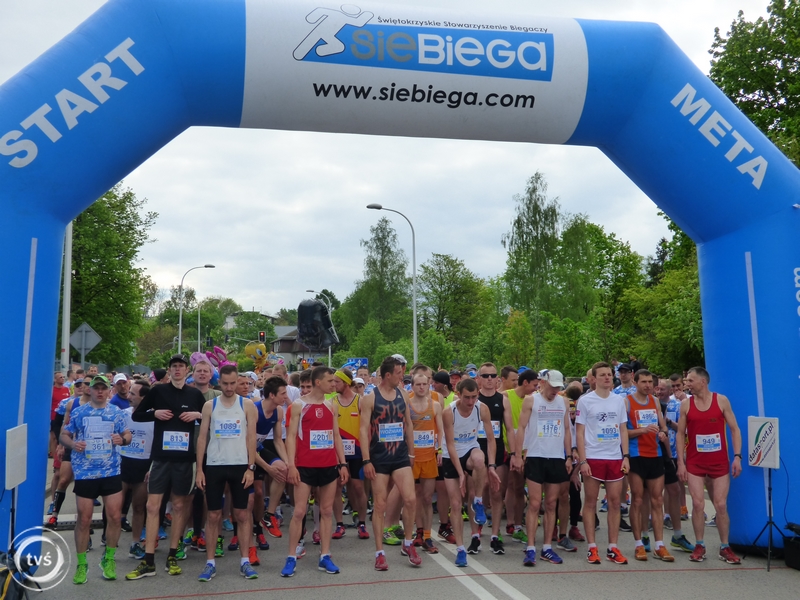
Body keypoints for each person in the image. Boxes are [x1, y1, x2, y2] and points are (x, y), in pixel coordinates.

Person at [126, 354, 205, 580]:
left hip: (184, 459)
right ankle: (149, 560)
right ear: (169, 370)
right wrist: (155, 413)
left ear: (187, 370)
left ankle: (172, 554)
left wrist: (198, 414)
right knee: (153, 506)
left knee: (179, 506)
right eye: (174, 366)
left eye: (181, 366)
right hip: (160, 457)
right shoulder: (158, 391)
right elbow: (137, 415)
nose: (177, 370)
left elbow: (210, 419)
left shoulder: (194, 394)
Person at [61, 375, 131, 584]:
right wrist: (73, 445)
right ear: (89, 390)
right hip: (85, 472)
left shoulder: (116, 412)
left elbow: (128, 435)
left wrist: (122, 439)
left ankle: (109, 559)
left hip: (110, 471)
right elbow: (64, 434)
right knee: (84, 519)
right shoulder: (79, 412)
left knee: (115, 517)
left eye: (103, 388)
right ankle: (82, 564)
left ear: (109, 391)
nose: (100, 391)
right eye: (96, 388)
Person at [281, 366, 349, 577]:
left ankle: (325, 555)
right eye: (330, 381)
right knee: (299, 512)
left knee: (327, 511)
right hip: (305, 467)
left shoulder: (331, 405)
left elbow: (336, 436)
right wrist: (291, 465)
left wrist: (343, 463)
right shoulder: (299, 406)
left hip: (328, 465)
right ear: (318, 382)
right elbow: (291, 437)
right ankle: (291, 557)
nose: (334, 384)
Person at [195, 364, 259, 581]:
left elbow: (252, 437)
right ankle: (210, 563)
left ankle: (245, 561)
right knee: (213, 515)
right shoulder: (209, 406)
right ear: (219, 382)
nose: (229, 388)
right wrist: (200, 470)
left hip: (240, 465)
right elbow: (202, 438)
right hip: (215, 465)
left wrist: (251, 467)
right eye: (225, 384)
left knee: (242, 514)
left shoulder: (247, 404)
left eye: (233, 383)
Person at [676, 367, 743, 564]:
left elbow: (734, 429)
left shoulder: (721, 400)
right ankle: (699, 545)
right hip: (695, 463)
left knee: (720, 504)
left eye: (690, 380)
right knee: (697, 504)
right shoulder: (686, 404)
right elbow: (680, 434)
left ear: (703, 382)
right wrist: (681, 462)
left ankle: (725, 547)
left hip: (719, 462)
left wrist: (737, 457)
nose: (687, 384)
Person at [359, 355, 421, 571]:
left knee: (410, 499)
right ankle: (379, 553)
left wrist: (412, 453)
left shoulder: (403, 394)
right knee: (380, 504)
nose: (401, 376)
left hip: (400, 456)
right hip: (379, 458)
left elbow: (409, 424)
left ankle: (408, 543)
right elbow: (363, 431)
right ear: (387, 375)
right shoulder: (370, 398)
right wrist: (366, 460)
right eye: (398, 373)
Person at [512, 369, 572, 566]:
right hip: (536, 455)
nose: (555, 390)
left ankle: (547, 547)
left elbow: (567, 429)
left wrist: (569, 456)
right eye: (553, 386)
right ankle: (531, 547)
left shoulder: (563, 402)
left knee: (551, 503)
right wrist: (518, 455)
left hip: (556, 457)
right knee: (535, 503)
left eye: (558, 387)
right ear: (544, 383)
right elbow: (521, 428)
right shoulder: (531, 400)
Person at [440, 378, 501, 567]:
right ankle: (460, 549)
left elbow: (491, 439)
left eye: (474, 397)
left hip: (470, 449)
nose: (470, 401)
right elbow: (450, 445)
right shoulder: (449, 412)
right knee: (456, 504)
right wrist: (460, 474)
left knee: (480, 459)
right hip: (451, 455)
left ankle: (478, 501)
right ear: (458, 394)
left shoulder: (481, 408)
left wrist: (492, 466)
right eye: (467, 397)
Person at [576, 362, 631, 565]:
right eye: (603, 375)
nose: (607, 377)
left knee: (615, 502)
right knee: (591, 502)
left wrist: (626, 456)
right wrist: (583, 460)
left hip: (614, 457)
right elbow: (579, 432)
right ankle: (592, 547)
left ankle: (613, 547)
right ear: (594, 379)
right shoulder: (585, 401)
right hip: (593, 456)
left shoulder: (619, 401)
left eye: (609, 374)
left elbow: (623, 429)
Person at [624, 370, 674, 562]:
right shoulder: (627, 402)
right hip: (636, 455)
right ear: (635, 382)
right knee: (637, 499)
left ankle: (659, 545)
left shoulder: (654, 401)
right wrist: (642, 430)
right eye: (643, 382)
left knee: (657, 500)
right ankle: (639, 544)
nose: (647, 385)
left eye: (650, 382)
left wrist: (662, 433)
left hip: (655, 454)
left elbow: (663, 426)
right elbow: (623, 432)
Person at [474, 362, 516, 555]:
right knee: (479, 492)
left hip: (498, 451)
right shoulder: (473, 399)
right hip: (476, 451)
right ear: (479, 379)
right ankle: (476, 532)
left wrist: (514, 454)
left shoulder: (503, 399)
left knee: (497, 493)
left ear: (498, 378)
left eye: (492, 375)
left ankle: (495, 535)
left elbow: (510, 429)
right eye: (485, 376)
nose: (489, 379)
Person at [331, 368, 370, 540]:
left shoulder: (360, 401)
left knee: (358, 487)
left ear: (346, 383)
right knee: (337, 488)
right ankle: (339, 524)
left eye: (337, 382)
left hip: (357, 451)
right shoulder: (332, 402)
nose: (334, 384)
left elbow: (367, 429)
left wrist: (367, 454)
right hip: (338, 452)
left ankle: (361, 523)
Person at [408, 372, 444, 553]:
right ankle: (419, 532)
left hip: (429, 456)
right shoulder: (407, 405)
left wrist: (440, 450)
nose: (422, 387)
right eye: (418, 384)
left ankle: (428, 537)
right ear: (412, 386)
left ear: (429, 385)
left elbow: (441, 430)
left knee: (428, 498)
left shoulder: (435, 405)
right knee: (414, 497)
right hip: (413, 458)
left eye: (424, 384)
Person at [658, 377, 694, 553]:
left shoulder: (679, 405)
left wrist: (667, 423)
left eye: (662, 389)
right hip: (655, 452)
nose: (659, 392)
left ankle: (675, 525)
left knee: (674, 488)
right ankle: (650, 530)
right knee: (653, 491)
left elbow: (684, 429)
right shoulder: (653, 404)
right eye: (657, 389)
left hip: (673, 451)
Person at [120, 380, 154, 560]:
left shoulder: (153, 417)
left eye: (133, 394)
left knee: (139, 507)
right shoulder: (123, 414)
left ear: (144, 397)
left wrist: (152, 466)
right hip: (123, 463)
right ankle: (109, 543)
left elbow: (156, 444)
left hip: (143, 465)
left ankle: (135, 543)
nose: (128, 396)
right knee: (115, 507)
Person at [504, 368, 537, 545]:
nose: (536, 389)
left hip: (528, 450)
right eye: (534, 385)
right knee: (511, 486)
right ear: (525, 383)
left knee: (520, 488)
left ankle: (517, 525)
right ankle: (510, 523)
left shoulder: (534, 399)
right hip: (508, 449)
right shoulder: (506, 396)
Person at [255, 376, 289, 543]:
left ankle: (269, 515)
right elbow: (247, 446)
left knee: (283, 469)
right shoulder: (254, 410)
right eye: (283, 393)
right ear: (272, 395)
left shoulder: (279, 411)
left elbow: (277, 440)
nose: (286, 397)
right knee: (258, 492)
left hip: (259, 448)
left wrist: (288, 463)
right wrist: (268, 468)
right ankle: (253, 528)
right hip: (245, 451)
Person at [51, 371, 72, 457]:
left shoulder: (66, 389)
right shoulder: (52, 390)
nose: (63, 379)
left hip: (65, 416)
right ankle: (54, 456)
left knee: (61, 437)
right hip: (54, 416)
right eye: (60, 377)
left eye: (63, 377)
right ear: (55, 379)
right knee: (54, 438)